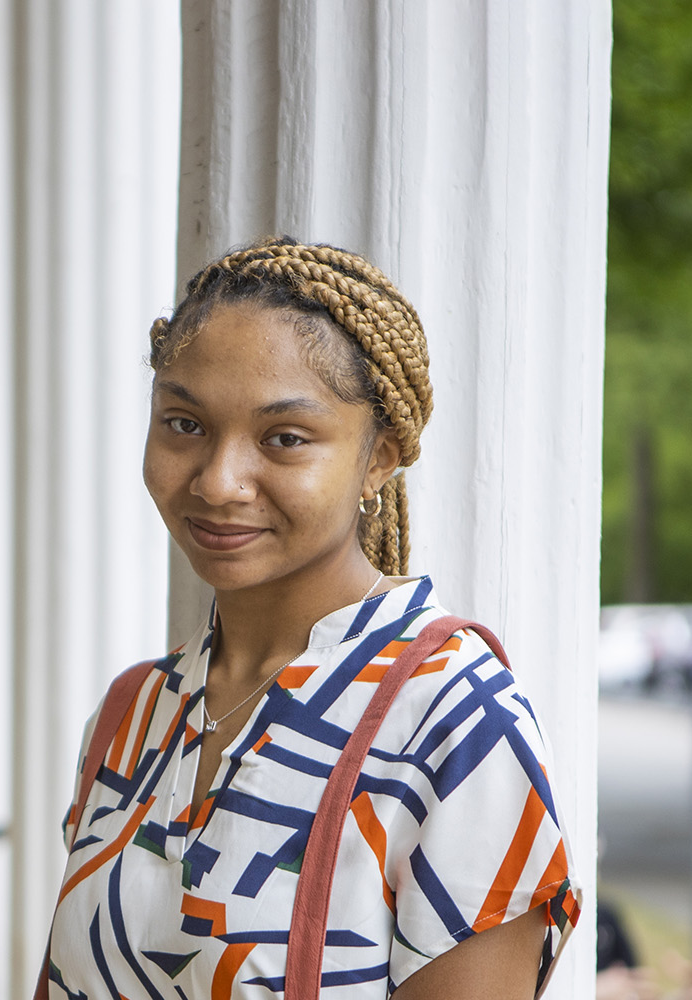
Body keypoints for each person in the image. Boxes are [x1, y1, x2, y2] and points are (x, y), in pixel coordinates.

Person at [41, 239, 582, 999]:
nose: (220, 481)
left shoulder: (455, 726)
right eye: (185, 424)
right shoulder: (133, 716)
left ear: (379, 459)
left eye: (284, 439)